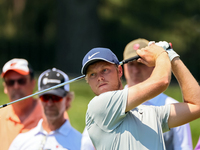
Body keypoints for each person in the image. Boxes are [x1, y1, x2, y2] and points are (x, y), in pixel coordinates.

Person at [81, 43, 200, 150]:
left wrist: (173, 57)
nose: (99, 77)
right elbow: (161, 81)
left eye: (105, 70)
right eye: (92, 74)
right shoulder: (98, 106)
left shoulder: (147, 114)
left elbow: (196, 105)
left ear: (119, 71)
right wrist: (161, 54)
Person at [123, 38, 193, 150]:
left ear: (154, 65)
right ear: (122, 68)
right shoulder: (109, 103)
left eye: (141, 64)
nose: (135, 70)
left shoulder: (173, 107)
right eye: (131, 64)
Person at [9, 68, 82, 150]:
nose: (50, 103)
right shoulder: (20, 142)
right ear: (39, 99)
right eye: (45, 97)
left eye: (56, 97)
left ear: (67, 100)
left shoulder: (82, 143)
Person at [0, 58, 43, 150]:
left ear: (33, 83)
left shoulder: (50, 112)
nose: (16, 86)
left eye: (21, 81)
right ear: (5, 87)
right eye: (10, 82)